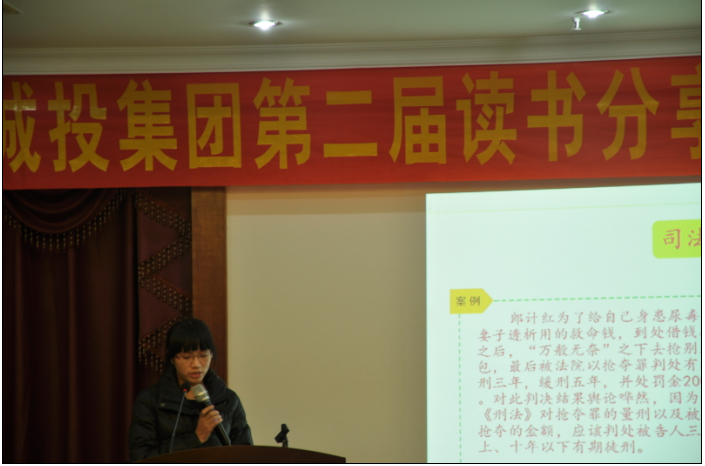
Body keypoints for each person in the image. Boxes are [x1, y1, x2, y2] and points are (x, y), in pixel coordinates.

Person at [129, 319, 253, 461]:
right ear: (172, 358)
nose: (196, 364)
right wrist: (196, 437)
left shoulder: (228, 399)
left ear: (211, 354)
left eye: (203, 355)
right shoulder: (150, 400)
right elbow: (141, 458)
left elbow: (246, 455)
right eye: (186, 357)